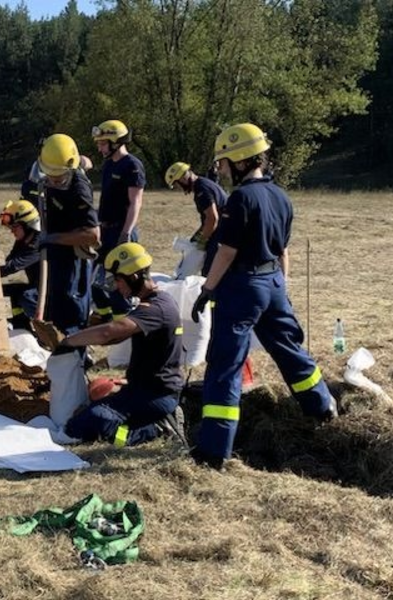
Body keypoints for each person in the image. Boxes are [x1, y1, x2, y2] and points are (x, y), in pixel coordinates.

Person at [190, 122, 337, 468]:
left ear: (241, 161)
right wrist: (281, 290)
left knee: (226, 364)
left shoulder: (241, 198)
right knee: (288, 348)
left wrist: (207, 289)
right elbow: (283, 250)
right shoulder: (281, 196)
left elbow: (226, 252)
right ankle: (322, 405)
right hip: (272, 282)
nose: (221, 170)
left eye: (224, 162)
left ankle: (214, 449)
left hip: (243, 287)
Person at [60, 242, 186, 447]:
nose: (117, 286)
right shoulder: (156, 301)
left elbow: (108, 332)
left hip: (155, 395)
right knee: (86, 414)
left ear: (134, 276)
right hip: (141, 390)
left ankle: (158, 428)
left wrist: (68, 340)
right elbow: (116, 336)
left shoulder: (155, 309)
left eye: (118, 280)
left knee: (85, 423)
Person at [37, 133, 100, 336]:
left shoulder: (79, 190)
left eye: (57, 175)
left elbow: (92, 235)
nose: (52, 179)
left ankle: (77, 349)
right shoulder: (57, 158)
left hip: (73, 257)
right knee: (57, 303)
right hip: (56, 253)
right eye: (49, 173)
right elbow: (84, 161)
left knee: (71, 306)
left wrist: (53, 239)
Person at [91, 120, 146, 322]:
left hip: (121, 231)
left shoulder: (132, 166)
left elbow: (135, 203)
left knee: (118, 283)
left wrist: (125, 234)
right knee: (96, 283)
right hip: (104, 231)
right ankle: (104, 319)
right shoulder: (108, 165)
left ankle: (124, 325)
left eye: (103, 143)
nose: (99, 148)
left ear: (116, 142)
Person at [165, 161, 228, 276]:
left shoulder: (201, 189)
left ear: (183, 178)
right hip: (223, 230)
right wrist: (197, 237)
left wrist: (203, 240)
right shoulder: (203, 184)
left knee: (210, 273)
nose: (179, 188)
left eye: (177, 184)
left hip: (222, 232)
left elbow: (212, 218)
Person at [0, 198, 42, 330]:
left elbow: (12, 266)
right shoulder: (23, 240)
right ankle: (22, 328)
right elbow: (8, 261)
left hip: (53, 294)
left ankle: (50, 330)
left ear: (28, 224)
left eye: (15, 227)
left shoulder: (39, 244)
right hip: (37, 287)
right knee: (5, 292)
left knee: (27, 296)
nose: (12, 231)